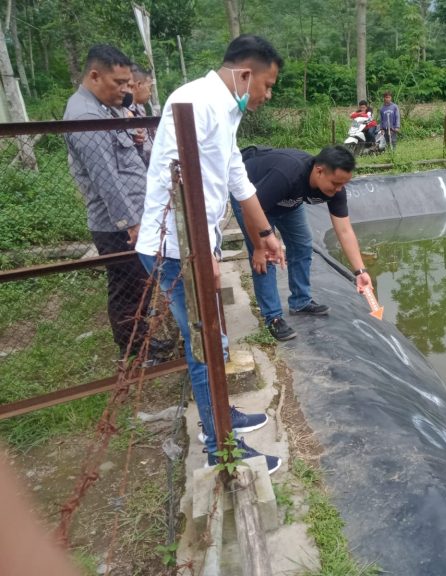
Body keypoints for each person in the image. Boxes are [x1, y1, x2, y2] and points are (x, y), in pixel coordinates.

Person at [135, 35, 285, 472]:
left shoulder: (224, 107)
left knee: (211, 338)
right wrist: (202, 255)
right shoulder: (199, 104)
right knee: (205, 342)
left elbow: (234, 172)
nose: (267, 95)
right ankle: (220, 444)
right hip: (179, 249)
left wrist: (262, 234)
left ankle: (222, 416)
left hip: (191, 246)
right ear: (245, 75)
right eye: (267, 85)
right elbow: (188, 188)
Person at [63, 45, 170, 363]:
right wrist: (132, 224)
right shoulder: (85, 117)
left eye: (129, 83)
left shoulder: (103, 108)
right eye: (119, 83)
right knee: (127, 288)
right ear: (94, 76)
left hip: (132, 218)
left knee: (140, 285)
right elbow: (106, 179)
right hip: (118, 225)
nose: (126, 90)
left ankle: (143, 342)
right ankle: (134, 352)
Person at [231, 145, 373, 341]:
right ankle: (272, 317)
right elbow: (249, 210)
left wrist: (360, 271)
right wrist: (258, 246)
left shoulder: (336, 188)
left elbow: (345, 230)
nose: (338, 190)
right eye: (335, 183)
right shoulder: (287, 174)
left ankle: (301, 302)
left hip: (288, 201)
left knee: (302, 244)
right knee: (266, 256)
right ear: (319, 170)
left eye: (343, 185)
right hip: (253, 199)